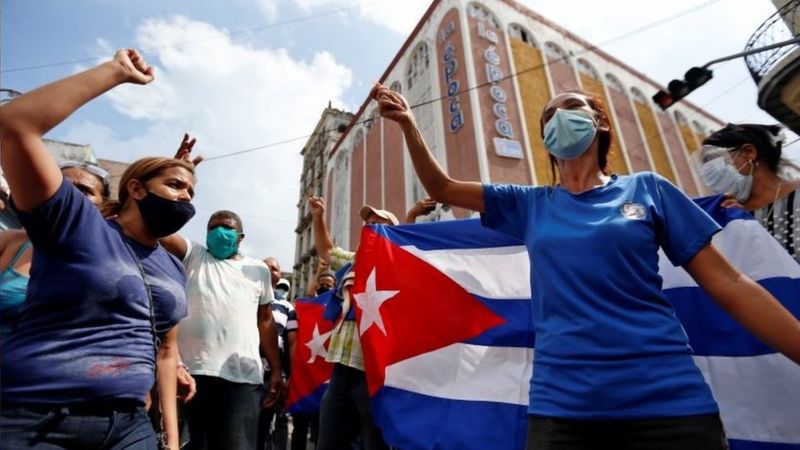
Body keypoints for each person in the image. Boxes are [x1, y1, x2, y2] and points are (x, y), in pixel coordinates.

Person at [372, 83, 800, 449]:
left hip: (670, 406)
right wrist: (409, 123)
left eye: (572, 107)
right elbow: (441, 186)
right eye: (549, 115)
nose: (560, 116)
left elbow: (729, 282)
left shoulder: (648, 188)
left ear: (601, 123)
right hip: (563, 413)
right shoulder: (529, 204)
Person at [0, 49, 194, 450]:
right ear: (134, 189)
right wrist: (115, 72)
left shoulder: (173, 268)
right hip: (37, 419)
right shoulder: (75, 224)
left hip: (128, 426)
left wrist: (171, 441)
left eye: (192, 191)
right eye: (176, 187)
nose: (187, 198)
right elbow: (14, 124)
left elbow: (166, 354)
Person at [308, 196, 435, 450]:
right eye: (368, 224)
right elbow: (326, 251)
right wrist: (317, 217)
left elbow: (407, 248)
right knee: (329, 442)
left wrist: (411, 215)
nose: (370, 228)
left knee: (374, 444)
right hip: (341, 370)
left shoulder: (395, 261)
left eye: (378, 224)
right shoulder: (354, 261)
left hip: (374, 373)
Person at [161, 210, 282, 450]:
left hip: (242, 377)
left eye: (225, 228)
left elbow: (266, 322)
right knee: (195, 443)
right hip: (193, 375)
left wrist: (277, 369)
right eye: (212, 228)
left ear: (240, 236)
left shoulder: (258, 269)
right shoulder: (194, 255)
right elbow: (163, 233)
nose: (219, 233)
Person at [0, 160, 109, 343]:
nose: (70, 195)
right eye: (62, 187)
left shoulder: (110, 261)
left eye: (85, 191)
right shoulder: (12, 241)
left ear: (104, 206)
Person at [699, 123, 800, 263]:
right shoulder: (729, 217)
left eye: (711, 160)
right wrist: (739, 224)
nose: (708, 172)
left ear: (748, 152)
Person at [259, 257, 298, 450]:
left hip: (270, 377)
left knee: (263, 428)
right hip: (241, 372)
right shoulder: (244, 295)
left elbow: (292, 343)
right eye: (265, 265)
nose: (269, 269)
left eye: (274, 268)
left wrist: (289, 376)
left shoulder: (288, 307)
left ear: (279, 276)